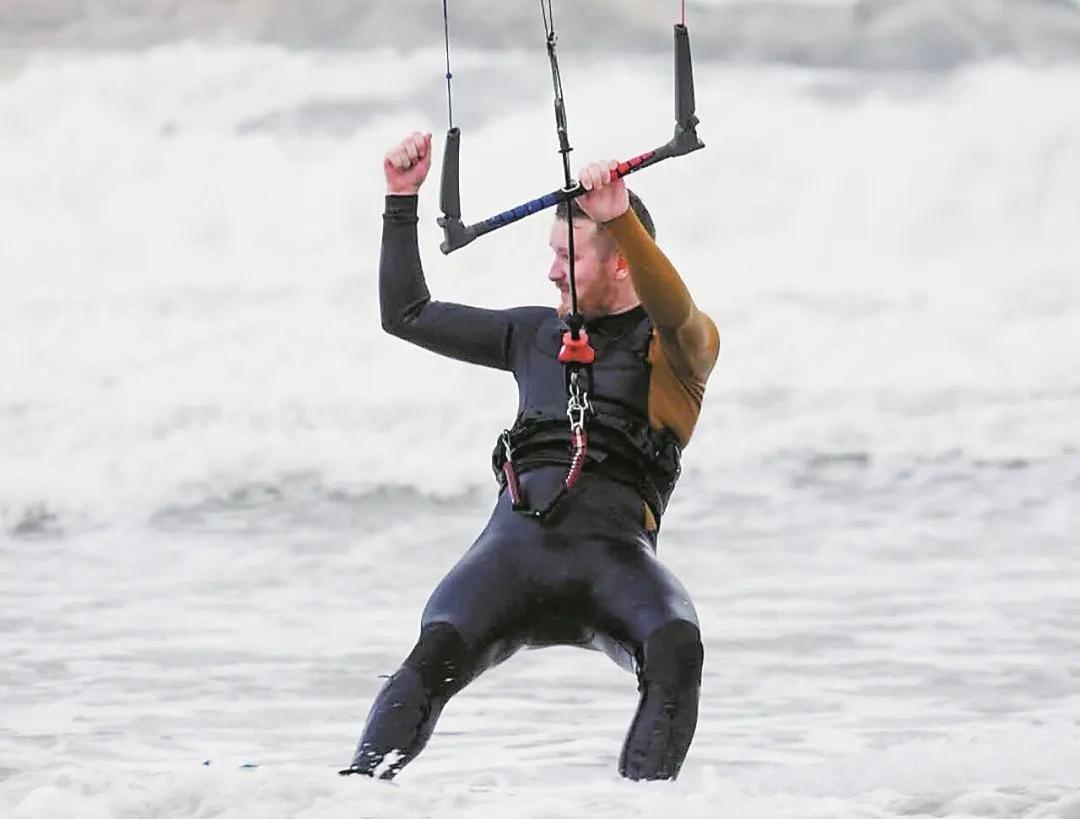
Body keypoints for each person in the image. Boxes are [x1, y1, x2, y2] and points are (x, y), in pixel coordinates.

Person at [341, 130, 721, 781]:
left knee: (676, 645)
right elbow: (405, 312)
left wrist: (621, 218)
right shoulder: (531, 333)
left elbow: (675, 307)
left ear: (623, 261)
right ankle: (354, 795)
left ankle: (639, 807)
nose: (550, 272)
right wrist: (400, 202)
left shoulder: (679, 349)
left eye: (568, 258)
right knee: (432, 654)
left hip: (615, 562)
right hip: (511, 554)